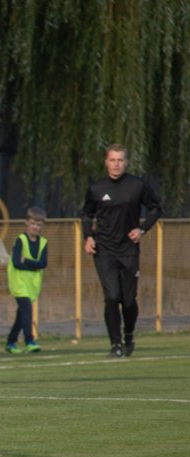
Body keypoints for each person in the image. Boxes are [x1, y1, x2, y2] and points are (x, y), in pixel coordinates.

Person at [80, 144, 161, 357]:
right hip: (104, 250)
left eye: (120, 160)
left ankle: (129, 336)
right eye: (112, 160)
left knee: (128, 300)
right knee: (112, 296)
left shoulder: (137, 185)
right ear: (106, 162)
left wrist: (142, 229)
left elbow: (155, 208)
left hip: (128, 250)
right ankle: (115, 345)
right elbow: (87, 214)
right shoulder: (96, 188)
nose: (116, 164)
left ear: (126, 163)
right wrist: (88, 236)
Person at [5, 207, 48, 354]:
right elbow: (17, 262)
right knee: (27, 310)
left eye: (38, 224)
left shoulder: (43, 242)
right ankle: (29, 340)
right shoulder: (20, 240)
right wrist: (34, 266)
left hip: (32, 284)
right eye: (33, 223)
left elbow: (43, 263)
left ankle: (11, 341)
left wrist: (27, 261)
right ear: (27, 223)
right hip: (19, 282)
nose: (35, 227)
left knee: (22, 314)